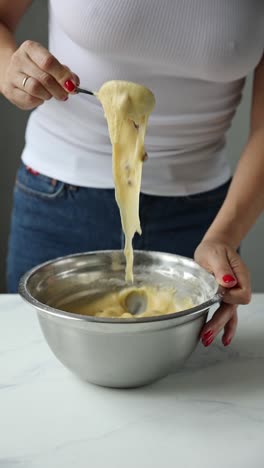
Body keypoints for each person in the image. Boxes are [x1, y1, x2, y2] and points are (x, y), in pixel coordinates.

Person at [1, 1, 263, 347]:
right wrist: (8, 66)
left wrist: (224, 237)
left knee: (194, 392)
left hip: (205, 225)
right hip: (60, 204)